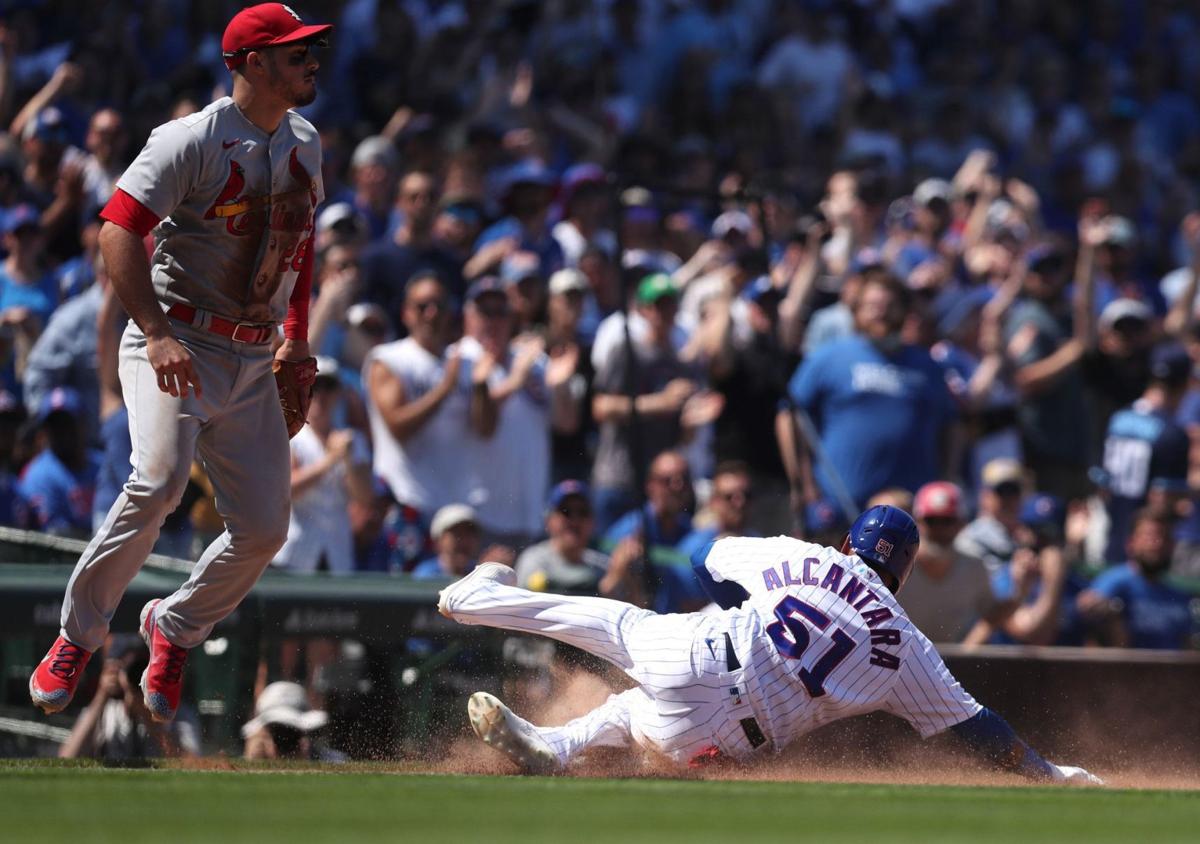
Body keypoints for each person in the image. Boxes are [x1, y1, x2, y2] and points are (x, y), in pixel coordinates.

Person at [29, 4, 334, 723]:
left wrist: (298, 335)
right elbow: (116, 231)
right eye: (295, 53)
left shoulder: (306, 141)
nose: (311, 61)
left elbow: (301, 239)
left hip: (255, 355)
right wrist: (156, 331)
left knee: (264, 528)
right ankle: (78, 635)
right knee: (160, 479)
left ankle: (175, 626)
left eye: (310, 50)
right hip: (179, 341)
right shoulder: (190, 138)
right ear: (252, 64)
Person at [440, 505, 1102, 785]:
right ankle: (555, 747)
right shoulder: (905, 643)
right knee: (635, 715)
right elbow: (975, 727)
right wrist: (1047, 772)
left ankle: (470, 599)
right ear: (899, 570)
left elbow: (710, 555)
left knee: (603, 620)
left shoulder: (805, 555)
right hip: (726, 740)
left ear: (851, 543)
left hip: (697, 650)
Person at [272, 358, 373, 575]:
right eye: (315, 387)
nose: (321, 395)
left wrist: (347, 460)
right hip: (294, 552)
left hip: (337, 553)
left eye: (329, 387)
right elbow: (286, 489)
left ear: (338, 393)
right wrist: (330, 461)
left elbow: (365, 498)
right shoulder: (289, 435)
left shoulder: (352, 440)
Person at [899, 481, 1009, 645]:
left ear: (961, 524)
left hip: (949, 665)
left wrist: (966, 652)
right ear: (917, 523)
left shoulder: (974, 566)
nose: (939, 529)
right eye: (931, 520)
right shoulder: (896, 565)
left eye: (947, 521)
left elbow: (991, 615)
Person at [58, 634, 199, 760]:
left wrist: (147, 716)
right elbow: (67, 757)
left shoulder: (171, 710)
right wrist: (101, 696)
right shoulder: (105, 710)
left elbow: (190, 762)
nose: (136, 676)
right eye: (127, 667)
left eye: (142, 667)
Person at [1077, 508, 1194, 650]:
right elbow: (1092, 610)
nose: (1158, 544)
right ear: (1131, 543)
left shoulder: (1177, 595)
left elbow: (1188, 645)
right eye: (1151, 537)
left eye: (1166, 537)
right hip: (1128, 668)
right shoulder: (1115, 581)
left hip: (1172, 670)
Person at [515, 480, 623, 598]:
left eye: (583, 512)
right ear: (548, 521)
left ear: (593, 522)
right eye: (566, 512)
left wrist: (624, 575)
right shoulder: (534, 560)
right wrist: (604, 586)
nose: (575, 520)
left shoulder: (601, 566)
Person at [410, 503, 485, 580]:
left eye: (469, 533)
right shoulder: (425, 575)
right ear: (438, 541)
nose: (464, 541)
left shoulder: (481, 572)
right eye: (457, 534)